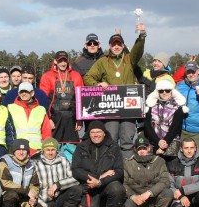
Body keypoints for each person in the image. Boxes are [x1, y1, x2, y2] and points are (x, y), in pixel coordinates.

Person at [84, 27, 147, 157]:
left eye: (119, 44)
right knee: (110, 140)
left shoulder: (130, 59)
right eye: (114, 44)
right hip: (111, 109)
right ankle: (111, 171)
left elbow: (138, 50)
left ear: (123, 46)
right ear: (110, 46)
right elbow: (88, 78)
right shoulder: (103, 61)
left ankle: (127, 173)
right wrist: (98, 84)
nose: (117, 47)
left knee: (127, 141)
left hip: (129, 109)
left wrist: (141, 36)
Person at [71, 121, 126, 207]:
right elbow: (75, 170)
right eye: (93, 132)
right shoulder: (81, 147)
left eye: (99, 132)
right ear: (89, 134)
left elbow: (119, 171)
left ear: (104, 133)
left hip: (107, 185)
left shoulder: (113, 147)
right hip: (90, 186)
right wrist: (97, 178)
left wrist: (101, 181)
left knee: (117, 188)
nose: (96, 135)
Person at [121, 135, 172, 207]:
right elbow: (124, 183)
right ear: (135, 149)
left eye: (144, 148)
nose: (142, 151)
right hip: (136, 197)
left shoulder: (159, 161)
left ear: (149, 148)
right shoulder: (128, 163)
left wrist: (149, 193)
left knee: (168, 193)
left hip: (152, 196)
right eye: (139, 148)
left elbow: (165, 181)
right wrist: (133, 196)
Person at [33, 137, 81, 207]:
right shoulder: (36, 164)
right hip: (43, 200)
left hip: (59, 197)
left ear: (57, 150)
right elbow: (33, 189)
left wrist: (57, 185)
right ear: (43, 151)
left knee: (76, 189)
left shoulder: (63, 160)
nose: (50, 153)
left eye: (53, 150)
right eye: (47, 150)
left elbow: (75, 179)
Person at [0, 139, 41, 207]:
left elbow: (35, 185)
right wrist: (26, 191)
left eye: (24, 150)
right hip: (3, 196)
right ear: (14, 151)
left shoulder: (32, 165)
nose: (21, 152)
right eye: (18, 150)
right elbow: (5, 183)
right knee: (12, 195)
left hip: (23, 197)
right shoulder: (5, 161)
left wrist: (33, 197)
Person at [39, 50, 84, 144]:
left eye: (64, 61)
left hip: (72, 119)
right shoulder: (47, 76)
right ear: (55, 61)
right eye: (60, 61)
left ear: (68, 61)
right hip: (54, 119)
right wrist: (48, 119)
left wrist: (80, 119)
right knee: (53, 146)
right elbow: (43, 100)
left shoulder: (76, 76)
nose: (63, 63)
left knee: (72, 147)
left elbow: (81, 98)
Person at [143, 78, 186, 160]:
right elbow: (147, 125)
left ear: (171, 91)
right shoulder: (151, 106)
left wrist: (165, 143)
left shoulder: (177, 107)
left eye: (167, 90)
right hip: (154, 143)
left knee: (171, 169)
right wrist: (158, 141)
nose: (164, 93)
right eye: (161, 91)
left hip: (171, 144)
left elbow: (175, 128)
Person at [7, 82, 51, 155]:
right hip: (17, 150)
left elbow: (46, 131)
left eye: (26, 91)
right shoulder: (10, 108)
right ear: (18, 93)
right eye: (21, 92)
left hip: (36, 150)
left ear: (32, 93)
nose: (24, 94)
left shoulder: (41, 109)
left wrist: (47, 148)